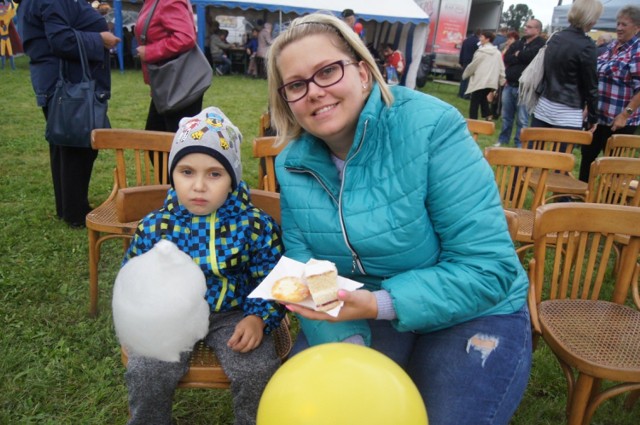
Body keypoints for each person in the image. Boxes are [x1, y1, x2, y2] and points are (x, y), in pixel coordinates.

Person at [266, 12, 531, 425]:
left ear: (365, 72)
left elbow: (487, 268)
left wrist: (378, 303)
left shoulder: (431, 127)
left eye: (328, 71)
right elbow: (308, 266)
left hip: (476, 310)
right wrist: (346, 342)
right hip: (363, 309)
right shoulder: (292, 164)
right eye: (296, 85)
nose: (314, 92)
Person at [122, 107, 285, 425]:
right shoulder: (155, 227)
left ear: (232, 178)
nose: (199, 186)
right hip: (173, 316)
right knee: (146, 369)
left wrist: (258, 317)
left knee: (257, 369)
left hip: (234, 314)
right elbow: (135, 276)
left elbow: (273, 277)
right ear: (172, 174)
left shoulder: (253, 225)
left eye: (214, 173)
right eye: (186, 172)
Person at [21, 0, 120, 228]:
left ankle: (67, 206)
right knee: (79, 145)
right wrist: (99, 39)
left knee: (64, 142)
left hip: (56, 81)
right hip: (65, 83)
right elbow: (61, 39)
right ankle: (75, 211)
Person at [579, 5, 640, 182]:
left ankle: (608, 204)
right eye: (618, 23)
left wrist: (625, 114)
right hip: (598, 118)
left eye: (624, 24)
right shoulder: (612, 46)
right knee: (587, 160)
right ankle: (581, 199)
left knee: (614, 167)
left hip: (619, 122)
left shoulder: (636, 51)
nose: (619, 28)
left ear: (637, 27)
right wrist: (587, 107)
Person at [531, 0, 602, 137]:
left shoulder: (555, 37)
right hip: (569, 111)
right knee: (562, 157)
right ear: (591, 19)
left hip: (544, 104)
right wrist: (592, 117)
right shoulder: (587, 46)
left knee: (533, 155)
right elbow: (591, 85)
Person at [134, 0, 202, 134]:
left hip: (178, 84)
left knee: (171, 143)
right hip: (167, 82)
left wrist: (150, 52)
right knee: (156, 144)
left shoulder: (168, 1)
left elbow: (185, 37)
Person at [496, 19, 545, 147]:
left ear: (537, 30)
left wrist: (519, 55)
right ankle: (503, 140)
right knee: (506, 116)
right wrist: (519, 56)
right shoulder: (518, 43)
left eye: (529, 27)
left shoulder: (541, 45)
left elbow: (532, 58)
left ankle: (519, 143)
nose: (525, 28)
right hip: (510, 84)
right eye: (525, 25)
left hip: (525, 88)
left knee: (522, 119)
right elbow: (507, 58)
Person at [462, 30, 505, 120]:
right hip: (491, 81)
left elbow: (473, 65)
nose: (480, 39)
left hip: (480, 80)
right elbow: (501, 67)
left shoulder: (481, 52)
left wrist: (465, 74)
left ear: (487, 39)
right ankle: (488, 115)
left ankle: (473, 120)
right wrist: (502, 79)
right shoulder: (497, 53)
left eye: (482, 37)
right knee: (482, 98)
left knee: (475, 101)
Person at [458, 29, 480, 99]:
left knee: (464, 78)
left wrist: (461, 61)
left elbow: (462, 51)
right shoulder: (478, 42)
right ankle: (466, 94)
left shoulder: (466, 40)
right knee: (470, 79)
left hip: (465, 61)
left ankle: (460, 93)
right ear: (479, 34)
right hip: (472, 61)